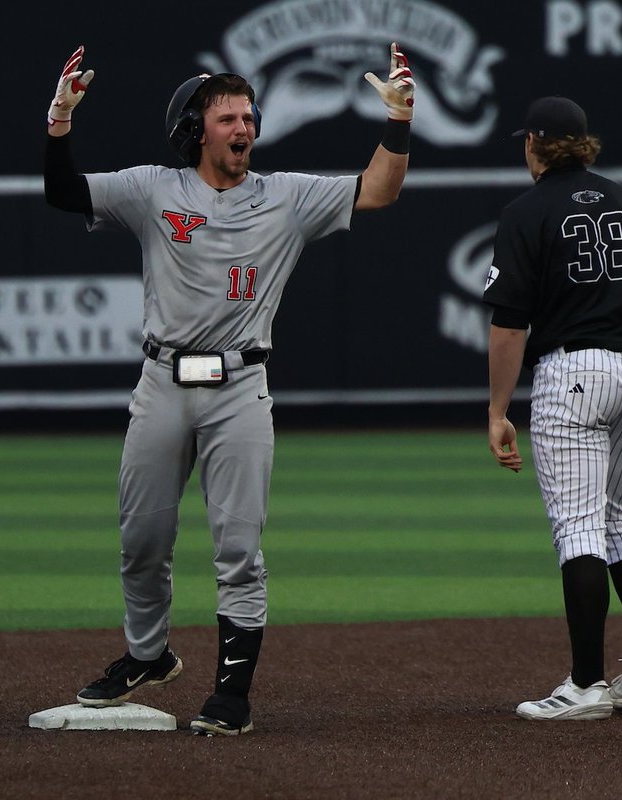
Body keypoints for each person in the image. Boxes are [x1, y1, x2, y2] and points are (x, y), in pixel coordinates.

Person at [42, 43, 415, 736]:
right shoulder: (154, 189)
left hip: (240, 385)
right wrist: (61, 117)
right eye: (228, 119)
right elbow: (64, 192)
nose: (244, 128)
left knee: (238, 548)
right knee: (142, 538)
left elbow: (380, 189)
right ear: (194, 130)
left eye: (249, 116)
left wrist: (398, 121)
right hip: (163, 380)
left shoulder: (286, 196)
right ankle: (148, 655)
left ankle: (232, 695)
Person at [481, 96, 622, 721]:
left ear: (536, 143)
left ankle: (586, 685)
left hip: (576, 372)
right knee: (618, 519)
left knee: (579, 529)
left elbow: (509, 324)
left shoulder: (525, 211)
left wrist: (496, 409)